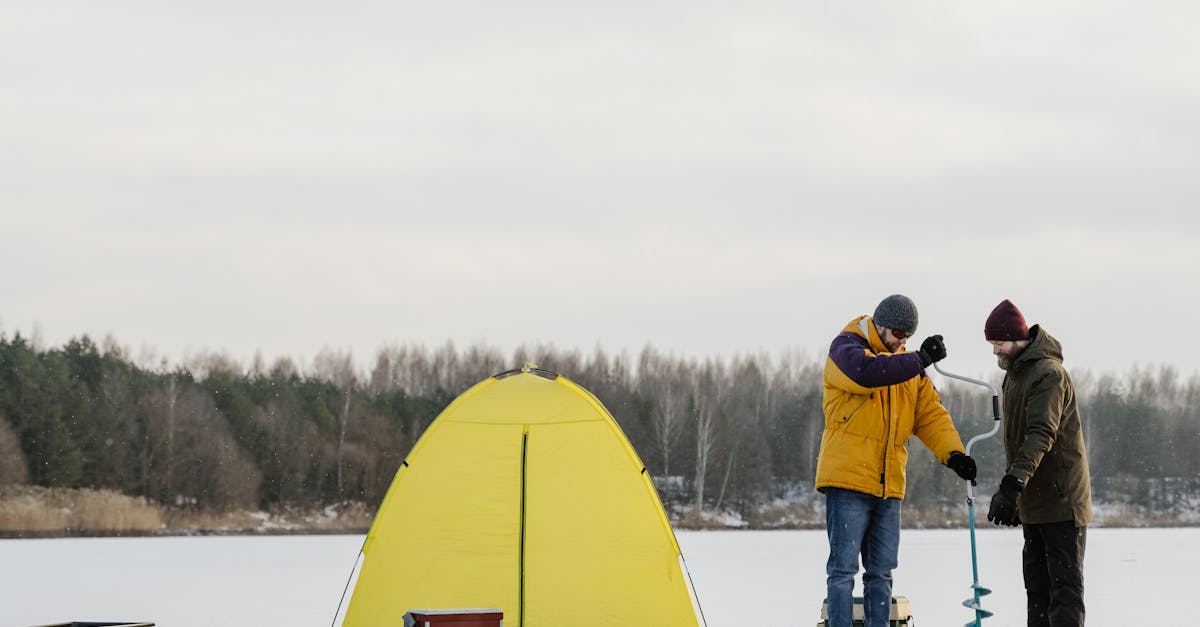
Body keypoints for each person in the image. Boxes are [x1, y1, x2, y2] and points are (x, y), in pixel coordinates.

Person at [816, 294, 977, 627]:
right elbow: (867, 373)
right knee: (842, 571)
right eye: (898, 335)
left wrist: (954, 454)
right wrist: (920, 359)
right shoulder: (846, 349)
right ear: (880, 325)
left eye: (908, 337)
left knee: (881, 572)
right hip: (847, 483)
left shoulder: (907, 367)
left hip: (888, 486)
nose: (902, 342)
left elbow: (931, 416)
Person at [984, 299, 1092, 627]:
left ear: (1018, 339)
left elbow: (1041, 434)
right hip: (1034, 504)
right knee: (1037, 593)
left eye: (999, 343)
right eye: (992, 344)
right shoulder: (1014, 376)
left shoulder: (1049, 374)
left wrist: (1012, 484)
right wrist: (1018, 496)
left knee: (1064, 594)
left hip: (1061, 502)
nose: (995, 351)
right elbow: (1015, 440)